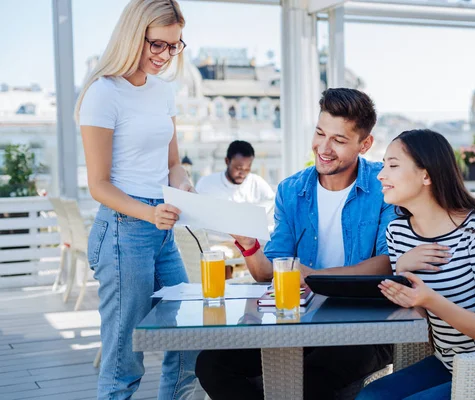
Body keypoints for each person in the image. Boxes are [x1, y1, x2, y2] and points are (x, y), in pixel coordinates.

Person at [195, 88, 397, 400]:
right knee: (211, 365)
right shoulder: (291, 190)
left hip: (366, 325)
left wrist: (313, 276)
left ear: (365, 144)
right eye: (320, 133)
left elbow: (387, 263)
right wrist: (249, 246)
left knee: (306, 382)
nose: (324, 148)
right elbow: (268, 271)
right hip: (302, 322)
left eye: (339, 140)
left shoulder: (383, 185)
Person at [356, 129, 475, 400]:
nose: (381, 175)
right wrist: (402, 273)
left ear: (426, 175)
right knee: (371, 396)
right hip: (452, 363)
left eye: (392, 166)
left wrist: (430, 299)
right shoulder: (397, 232)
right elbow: (416, 315)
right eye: (383, 166)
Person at [74, 0, 197, 398]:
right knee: (124, 358)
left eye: (173, 46)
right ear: (133, 36)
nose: (164, 56)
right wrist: (149, 212)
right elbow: (99, 185)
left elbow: (173, 162)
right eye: (156, 45)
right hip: (123, 231)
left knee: (188, 338)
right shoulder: (103, 93)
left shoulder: (163, 92)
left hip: (161, 230)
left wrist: (183, 184)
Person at [195, 140, 275, 205]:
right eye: (238, 168)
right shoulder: (206, 184)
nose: (243, 173)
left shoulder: (257, 183)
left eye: (247, 169)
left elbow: (273, 206)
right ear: (227, 161)